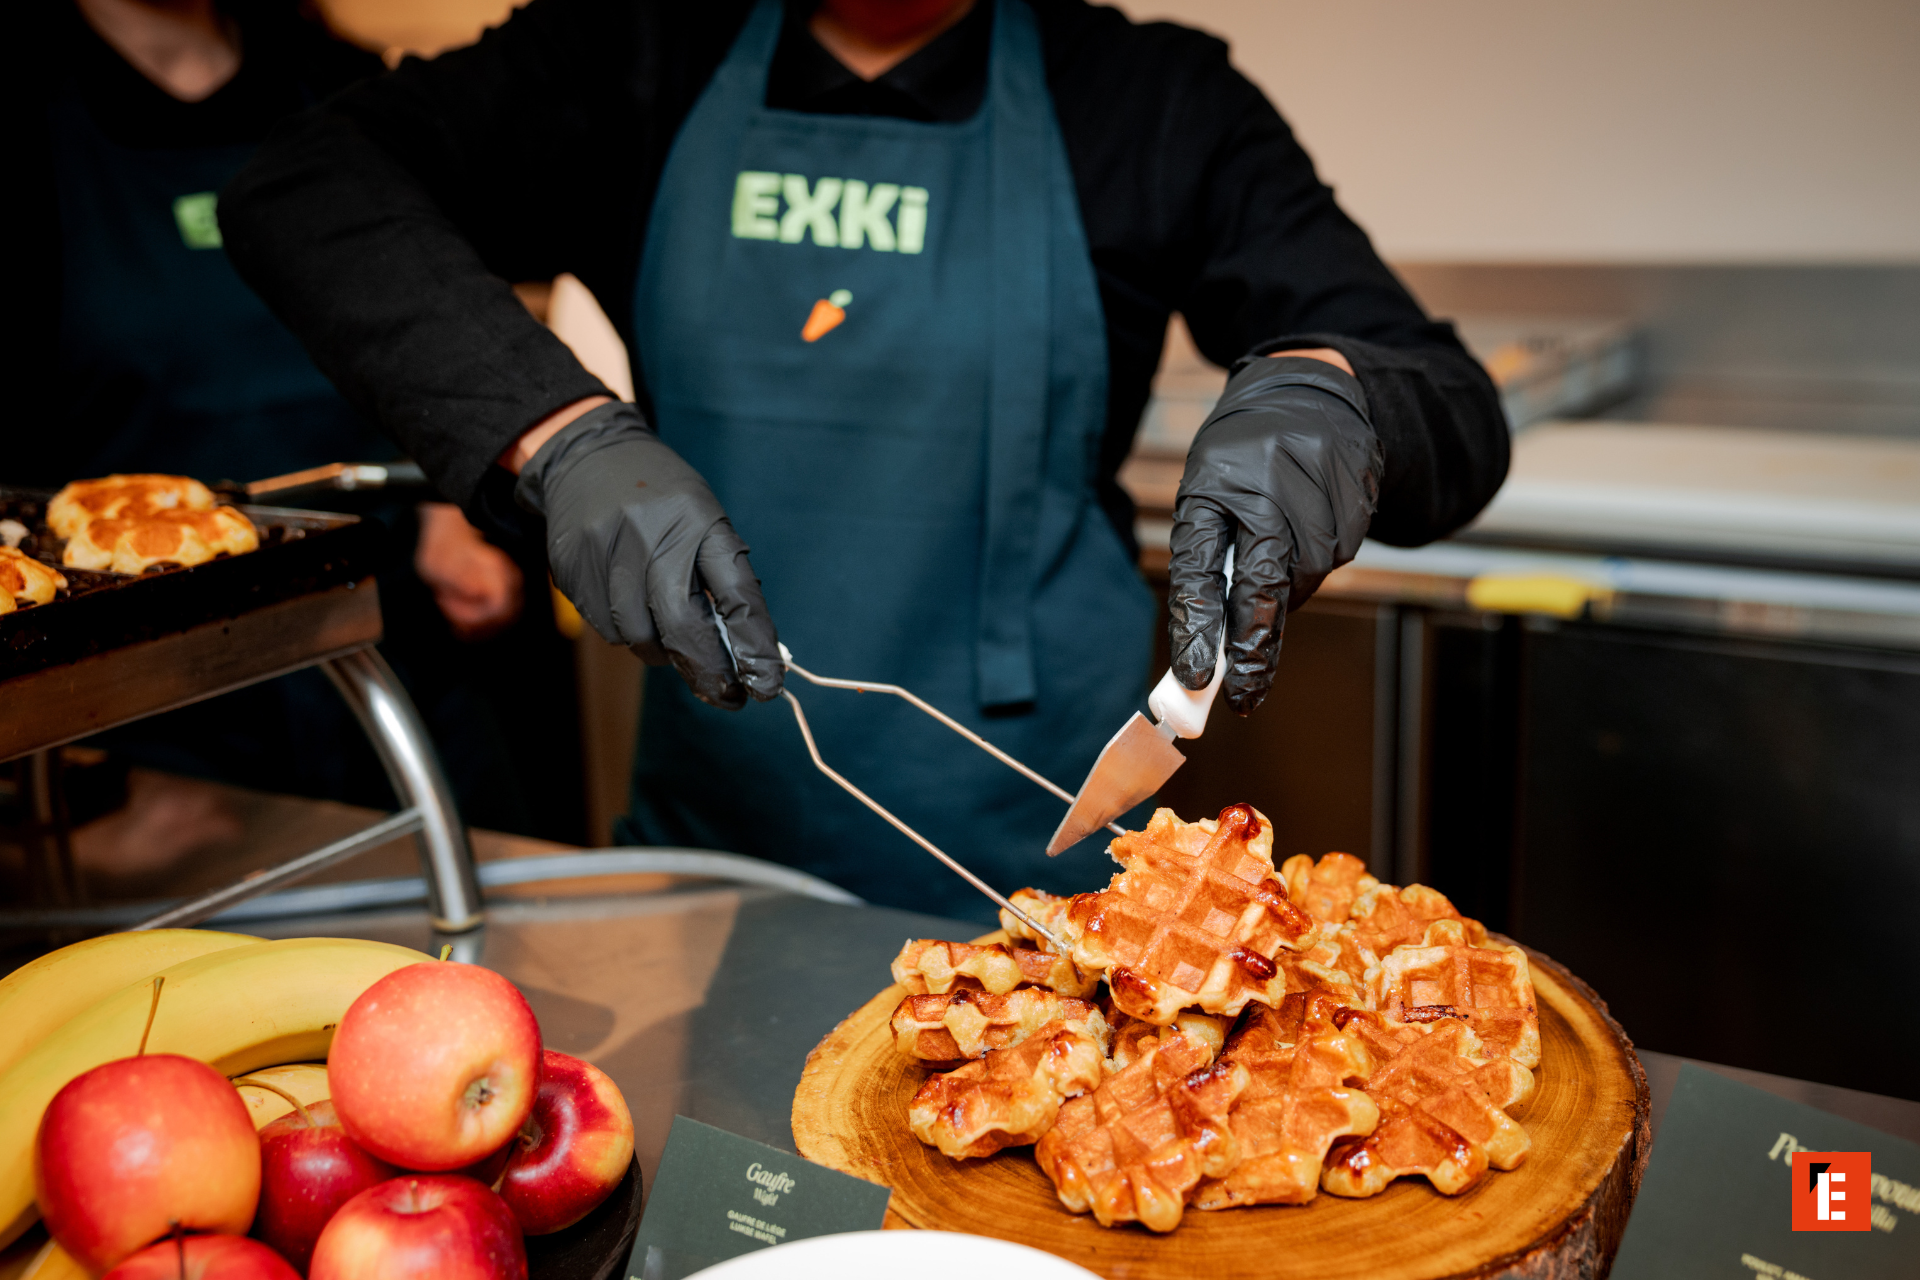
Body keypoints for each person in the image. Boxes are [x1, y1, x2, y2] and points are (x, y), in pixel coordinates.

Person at [222, 0, 1509, 917]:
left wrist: (1329, 396)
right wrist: (558, 439)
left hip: (1056, 872)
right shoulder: (636, 46)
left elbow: (1454, 406)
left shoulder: (1151, 102)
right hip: (719, 866)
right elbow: (307, 185)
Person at [16, 0, 587, 873]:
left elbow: (444, 328)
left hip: (391, 649)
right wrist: (45, 815)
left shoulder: (347, 88)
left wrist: (447, 505)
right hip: (152, 716)